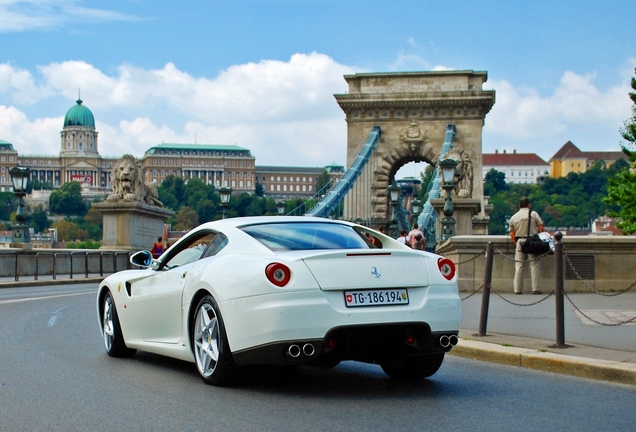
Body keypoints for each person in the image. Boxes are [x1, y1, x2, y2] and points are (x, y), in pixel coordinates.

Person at [508, 197, 545, 294]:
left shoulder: (514, 217)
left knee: (519, 266)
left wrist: (517, 242)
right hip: (532, 241)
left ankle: (517, 289)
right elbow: (541, 228)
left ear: (519, 205)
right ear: (529, 205)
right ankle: (536, 288)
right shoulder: (533, 214)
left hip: (520, 241)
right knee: (534, 265)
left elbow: (512, 234)